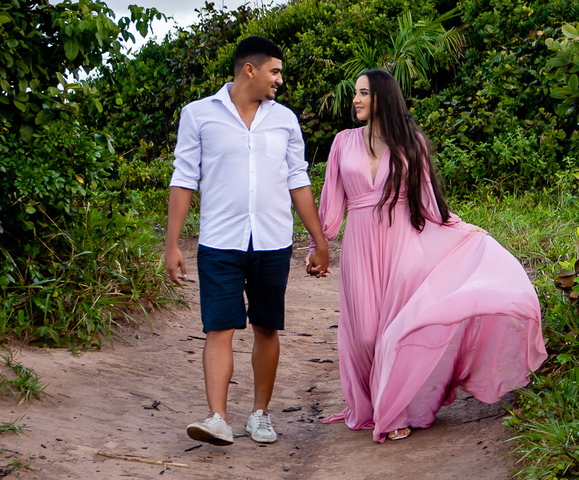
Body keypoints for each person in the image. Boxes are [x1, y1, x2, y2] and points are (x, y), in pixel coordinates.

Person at [306, 69, 546, 442]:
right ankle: (369, 406)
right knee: (364, 334)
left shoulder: (410, 143)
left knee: (396, 331)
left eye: (363, 93)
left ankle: (393, 411)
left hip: (404, 244)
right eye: (356, 93)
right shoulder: (342, 142)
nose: (355, 100)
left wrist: (462, 229)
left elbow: (429, 201)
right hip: (359, 247)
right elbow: (331, 204)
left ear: (382, 97)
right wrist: (317, 247)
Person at [164, 36, 330, 446]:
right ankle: (217, 418)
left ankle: (260, 415)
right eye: (274, 71)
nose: (279, 80)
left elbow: (298, 179)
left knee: (266, 327)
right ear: (250, 70)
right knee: (219, 328)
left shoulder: (285, 120)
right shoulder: (198, 114)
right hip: (219, 240)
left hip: (273, 240)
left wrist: (319, 239)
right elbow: (184, 178)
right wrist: (172, 244)